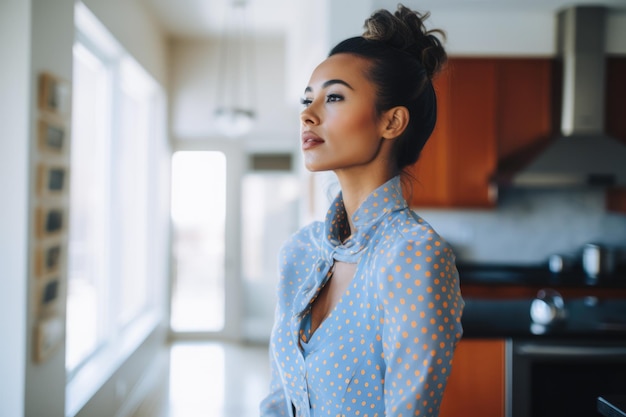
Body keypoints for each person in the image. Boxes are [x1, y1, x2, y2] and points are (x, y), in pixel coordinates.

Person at [260, 4, 464, 417]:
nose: (307, 113)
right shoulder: (300, 251)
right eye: (307, 99)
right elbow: (277, 401)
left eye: (333, 97)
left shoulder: (414, 257)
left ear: (392, 122)